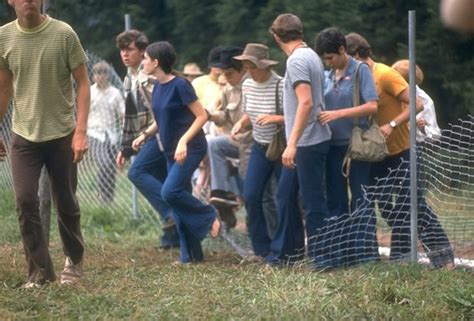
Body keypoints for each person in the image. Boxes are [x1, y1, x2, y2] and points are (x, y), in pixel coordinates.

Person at [345, 33, 455, 269]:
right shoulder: (352, 76)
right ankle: (389, 257)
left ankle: (440, 258)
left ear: (355, 54)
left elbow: (417, 104)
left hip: (402, 150)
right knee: (383, 206)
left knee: (413, 205)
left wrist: (392, 124)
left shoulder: (384, 74)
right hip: (374, 155)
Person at [0, 0, 90, 287]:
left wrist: (80, 132)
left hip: (62, 134)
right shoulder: (3, 37)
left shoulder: (64, 34)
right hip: (24, 136)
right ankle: (40, 272)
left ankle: (73, 260)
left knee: (65, 202)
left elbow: (84, 83)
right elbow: (3, 86)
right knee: (25, 201)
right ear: (11, 1)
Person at [133, 41, 220, 263]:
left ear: (156, 62)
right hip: (172, 150)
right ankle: (190, 256)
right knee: (179, 201)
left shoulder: (181, 85)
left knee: (170, 193)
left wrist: (183, 141)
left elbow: (201, 116)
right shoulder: (159, 87)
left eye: (145, 58)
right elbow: (162, 120)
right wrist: (145, 135)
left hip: (190, 148)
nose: (142, 62)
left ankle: (209, 215)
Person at [265, 14, 332, 265]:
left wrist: (292, 143)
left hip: (307, 142)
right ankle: (286, 254)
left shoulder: (296, 61)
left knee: (312, 202)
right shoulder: (311, 55)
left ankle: (322, 258)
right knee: (285, 195)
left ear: (276, 36)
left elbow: (306, 102)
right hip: (305, 140)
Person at [115, 29, 179, 249]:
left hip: (161, 134)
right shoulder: (129, 77)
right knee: (163, 182)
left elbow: (164, 110)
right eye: (122, 50)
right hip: (146, 135)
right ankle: (173, 237)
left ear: (143, 51)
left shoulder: (149, 76)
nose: (124, 54)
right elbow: (131, 116)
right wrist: (125, 148)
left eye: (129, 49)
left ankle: (172, 214)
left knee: (137, 172)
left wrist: (145, 135)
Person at [315, 28, 379, 216]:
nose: (328, 62)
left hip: (356, 146)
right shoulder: (327, 75)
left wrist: (338, 114)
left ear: (342, 49)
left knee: (361, 201)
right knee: (335, 201)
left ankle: (364, 245)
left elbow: (372, 106)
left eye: (330, 57)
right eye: (324, 59)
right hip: (332, 146)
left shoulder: (361, 70)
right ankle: (341, 244)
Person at [232, 43, 283, 258]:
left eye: (251, 66)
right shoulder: (247, 85)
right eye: (245, 67)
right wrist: (242, 124)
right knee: (251, 195)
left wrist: (275, 118)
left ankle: (285, 247)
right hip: (260, 147)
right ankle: (261, 247)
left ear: (264, 66)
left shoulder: (280, 85)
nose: (248, 71)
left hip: (282, 147)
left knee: (284, 198)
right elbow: (250, 113)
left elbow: (298, 116)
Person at [88, 61, 125, 203]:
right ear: (93, 76)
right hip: (94, 133)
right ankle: (102, 195)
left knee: (111, 166)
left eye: (103, 73)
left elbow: (122, 112)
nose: (100, 76)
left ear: (108, 75)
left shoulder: (115, 93)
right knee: (104, 163)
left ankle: (109, 198)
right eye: (97, 73)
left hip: (112, 135)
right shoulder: (90, 92)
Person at [391, 60, 441, 142]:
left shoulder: (424, 100)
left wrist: (423, 128)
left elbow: (435, 135)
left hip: (412, 146)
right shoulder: (388, 91)